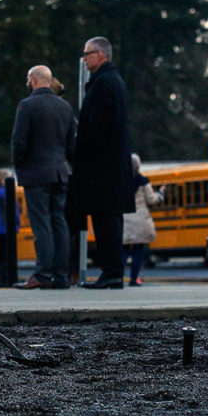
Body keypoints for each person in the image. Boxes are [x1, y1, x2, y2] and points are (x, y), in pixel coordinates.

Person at [71, 37, 134, 289]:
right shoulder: (112, 82)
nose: (84, 58)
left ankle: (111, 273)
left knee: (105, 220)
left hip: (101, 168)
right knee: (110, 220)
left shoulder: (102, 83)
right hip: (112, 166)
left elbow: (95, 126)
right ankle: (113, 271)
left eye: (86, 54)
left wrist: (82, 153)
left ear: (100, 54)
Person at [11, 65, 76, 290]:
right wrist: (67, 168)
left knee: (42, 226)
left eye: (29, 80)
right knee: (59, 222)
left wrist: (20, 166)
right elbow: (71, 145)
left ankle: (42, 274)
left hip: (36, 173)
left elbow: (19, 142)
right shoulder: (65, 107)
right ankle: (61, 275)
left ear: (34, 80)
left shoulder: (27, 105)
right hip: (60, 173)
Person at [122, 155, 164, 286]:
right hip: (140, 220)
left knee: (124, 251)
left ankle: (117, 276)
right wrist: (161, 194)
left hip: (125, 219)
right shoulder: (143, 181)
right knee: (138, 251)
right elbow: (152, 199)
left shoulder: (121, 179)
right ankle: (134, 279)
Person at [0, 168, 20, 287]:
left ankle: (2, 277)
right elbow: (12, 210)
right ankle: (6, 279)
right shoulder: (4, 192)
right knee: (7, 254)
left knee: (2, 253)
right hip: (6, 226)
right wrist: (17, 224)